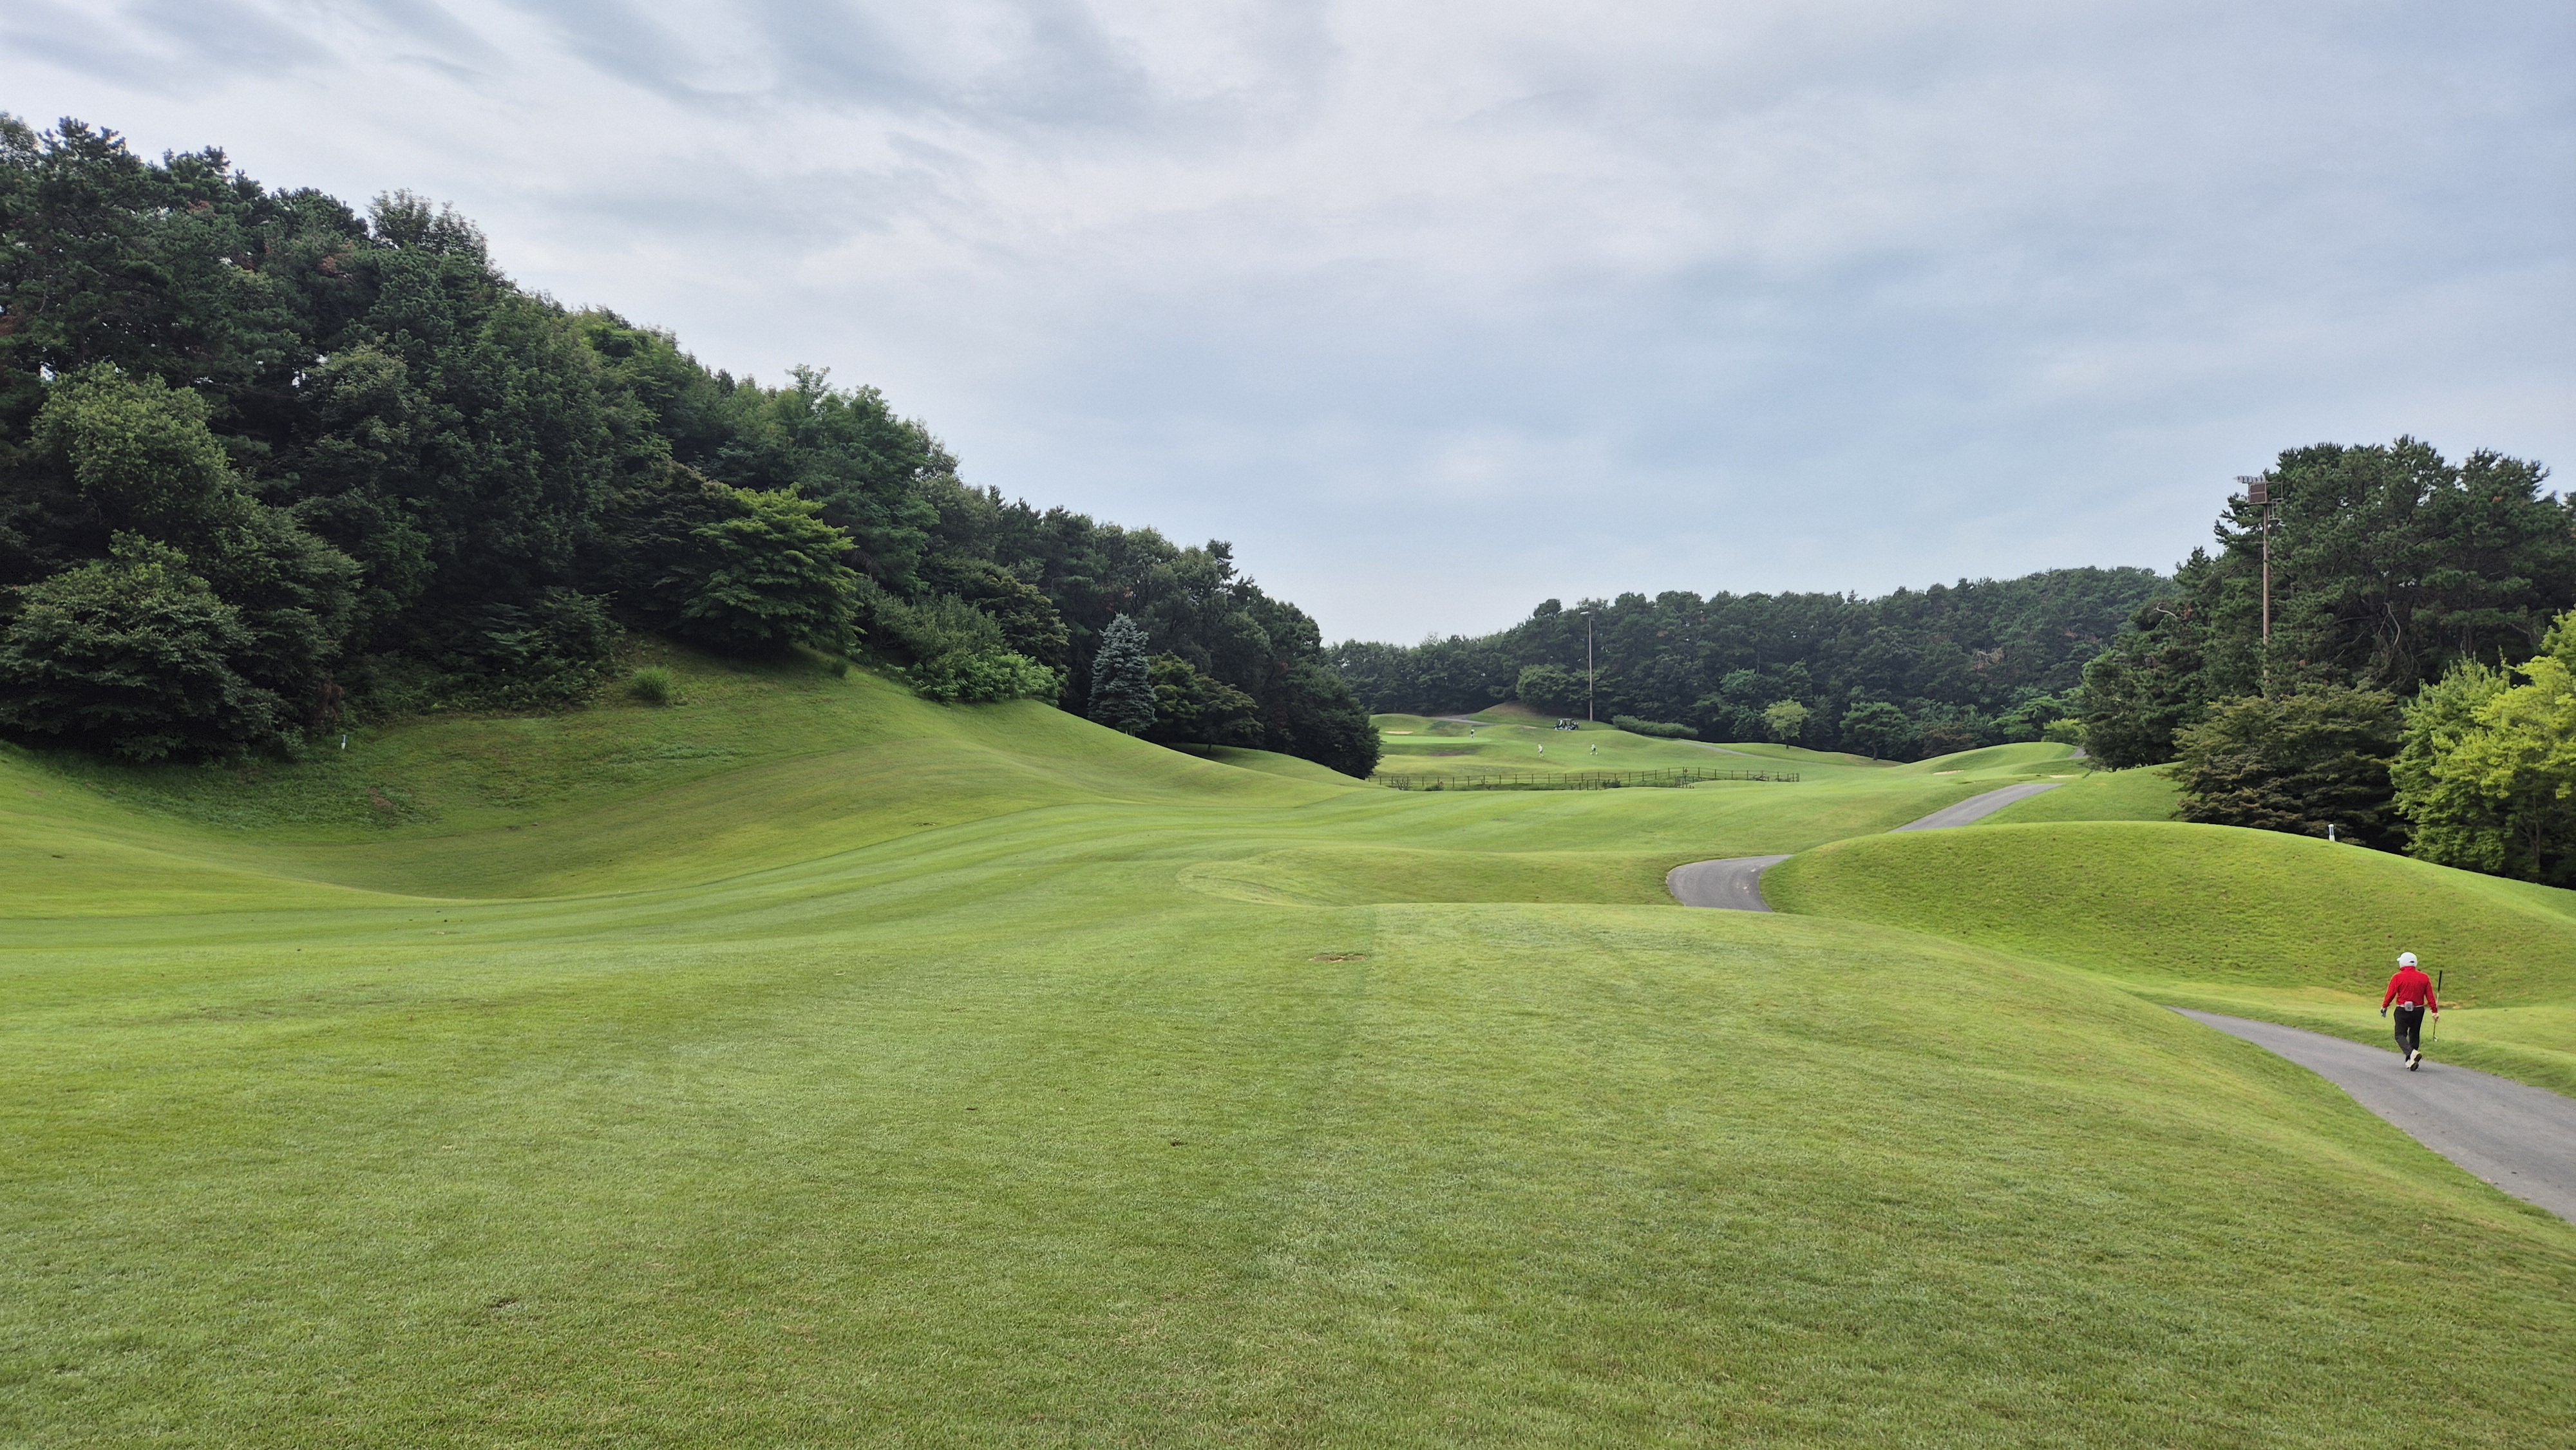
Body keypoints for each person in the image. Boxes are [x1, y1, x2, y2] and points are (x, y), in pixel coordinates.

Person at [2380, 951, 2440, 1071]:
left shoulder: (2398, 977)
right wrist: (2434, 1011)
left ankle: (2412, 1053)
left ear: (2403, 962)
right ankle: (2411, 1061)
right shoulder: (2424, 977)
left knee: (2400, 1035)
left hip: (2402, 1009)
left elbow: (2391, 994)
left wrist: (2385, 1006)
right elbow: (2430, 996)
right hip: (2419, 1010)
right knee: (2414, 1033)